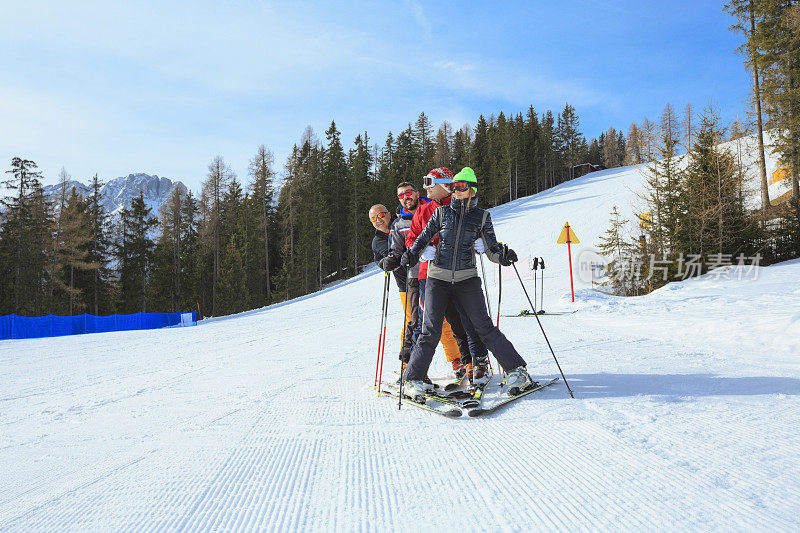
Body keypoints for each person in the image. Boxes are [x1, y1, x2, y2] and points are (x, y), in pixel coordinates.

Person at [399, 167, 535, 400]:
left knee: (484, 327)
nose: (456, 191)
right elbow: (420, 240)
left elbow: (491, 249)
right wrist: (414, 254)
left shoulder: (482, 217)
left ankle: (517, 371)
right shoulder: (441, 214)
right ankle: (412, 380)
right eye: (453, 187)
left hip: (467, 280)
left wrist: (501, 255)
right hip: (437, 280)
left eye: (461, 187)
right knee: (430, 331)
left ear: (472, 189)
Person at [406, 167, 489, 384]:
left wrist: (482, 244)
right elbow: (412, 239)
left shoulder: (462, 208)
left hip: (459, 274)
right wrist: (422, 251)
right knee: (427, 324)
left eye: (430, 183)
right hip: (429, 276)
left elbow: (476, 231)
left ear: (445, 185)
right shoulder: (423, 211)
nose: (426, 188)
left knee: (462, 320)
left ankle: (471, 363)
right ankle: (415, 370)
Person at [379, 183, 466, 374]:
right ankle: (412, 369)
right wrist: (391, 260)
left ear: (417, 193)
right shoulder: (399, 224)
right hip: (416, 277)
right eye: (401, 195)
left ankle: (460, 361)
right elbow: (396, 249)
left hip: (443, 273)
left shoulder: (434, 210)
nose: (405, 197)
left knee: (451, 319)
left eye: (409, 193)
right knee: (417, 324)